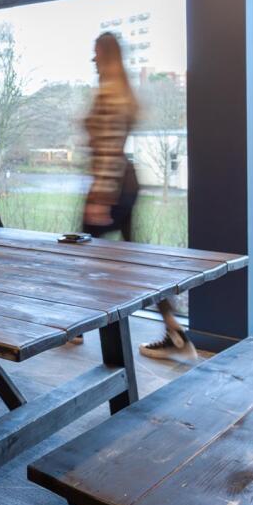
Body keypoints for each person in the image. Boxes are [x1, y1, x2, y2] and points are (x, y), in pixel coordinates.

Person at [82, 33, 195, 359]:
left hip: (111, 185)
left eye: (96, 53)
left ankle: (79, 332)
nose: (93, 60)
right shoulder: (122, 93)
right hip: (125, 182)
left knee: (83, 252)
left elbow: (108, 147)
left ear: (105, 55)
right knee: (134, 258)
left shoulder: (109, 95)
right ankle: (175, 333)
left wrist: (101, 197)